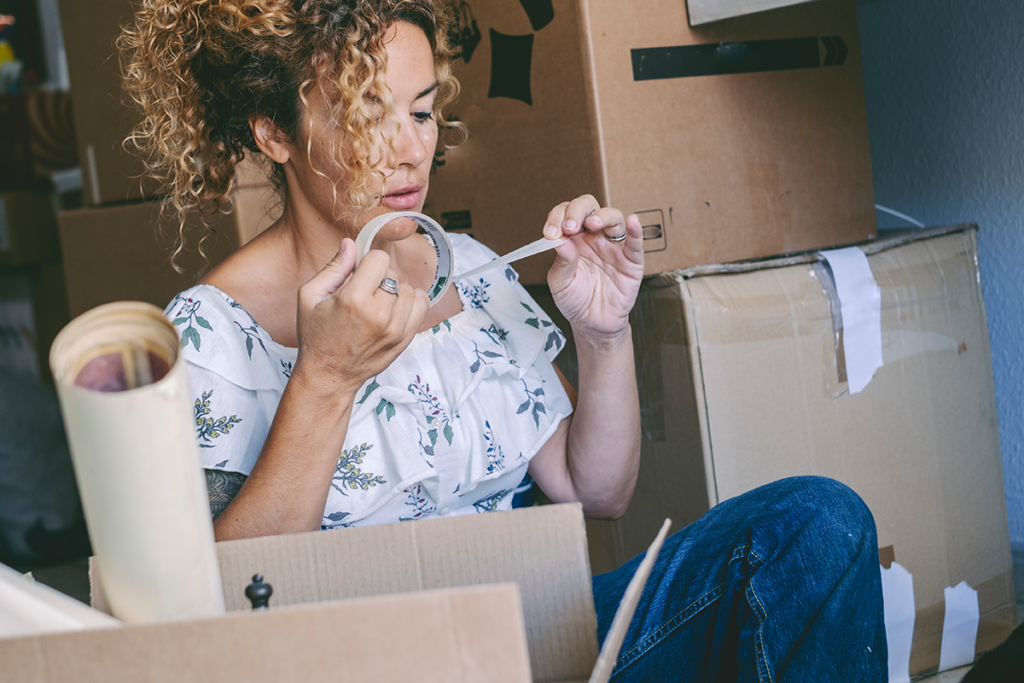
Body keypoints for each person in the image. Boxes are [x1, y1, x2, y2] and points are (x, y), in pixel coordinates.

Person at [120, 1, 887, 680]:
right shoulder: (212, 331)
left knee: (818, 526)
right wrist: (324, 379)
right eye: (366, 114)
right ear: (274, 135)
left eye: (421, 113)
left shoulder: (475, 271)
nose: (409, 149)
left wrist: (601, 331)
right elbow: (215, 610)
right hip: (363, 663)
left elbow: (597, 489)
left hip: (539, 644)